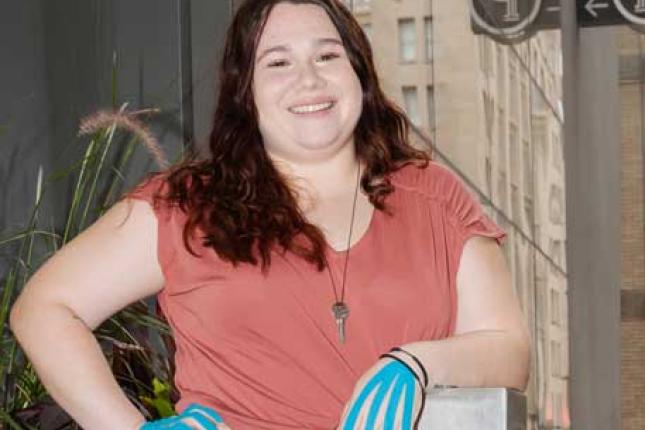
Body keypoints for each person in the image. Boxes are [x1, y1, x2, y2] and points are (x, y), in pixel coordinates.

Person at [9, 0, 531, 429]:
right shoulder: (186, 207)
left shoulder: (434, 196)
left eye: (327, 56)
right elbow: (44, 309)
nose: (308, 80)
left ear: (359, 74)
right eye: (277, 62)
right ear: (247, 92)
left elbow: (509, 350)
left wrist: (417, 365)